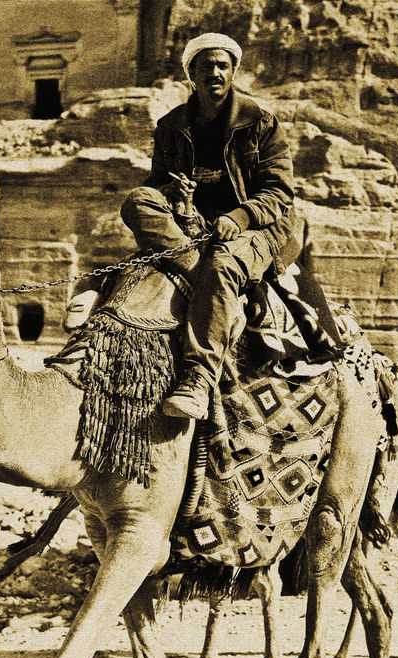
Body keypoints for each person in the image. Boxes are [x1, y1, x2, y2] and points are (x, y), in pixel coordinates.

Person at [120, 32, 296, 420]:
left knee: (223, 262)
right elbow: (155, 184)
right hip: (196, 226)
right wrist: (173, 192)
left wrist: (240, 216)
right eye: (206, 66)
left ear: (233, 71)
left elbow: (280, 192)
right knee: (136, 201)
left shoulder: (260, 121)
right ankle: (201, 275)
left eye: (222, 65)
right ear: (192, 74)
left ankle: (198, 376)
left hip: (262, 226)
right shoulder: (172, 125)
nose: (214, 72)